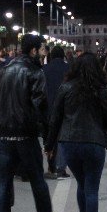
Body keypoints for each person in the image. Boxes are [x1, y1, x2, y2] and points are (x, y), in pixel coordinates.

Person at [45, 54, 107, 212]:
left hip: (69, 144)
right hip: (94, 143)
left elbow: (55, 119)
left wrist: (49, 146)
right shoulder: (100, 90)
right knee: (91, 188)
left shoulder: (65, 88)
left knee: (81, 183)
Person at [0, 34, 60, 212]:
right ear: (33, 51)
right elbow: (40, 105)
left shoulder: (3, 71)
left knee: (4, 183)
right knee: (37, 178)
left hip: (3, 134)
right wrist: (49, 138)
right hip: (25, 134)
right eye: (41, 49)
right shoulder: (34, 72)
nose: (43, 52)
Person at [42, 45, 69, 178]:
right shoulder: (69, 69)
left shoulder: (44, 69)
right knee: (62, 138)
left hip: (48, 109)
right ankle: (61, 168)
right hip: (65, 108)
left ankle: (51, 166)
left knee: (49, 138)